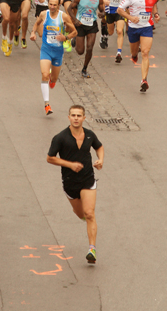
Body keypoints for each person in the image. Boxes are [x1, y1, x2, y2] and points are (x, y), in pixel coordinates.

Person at [47, 105, 104, 264]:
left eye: (79, 115)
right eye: (73, 115)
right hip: (70, 183)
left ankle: (91, 249)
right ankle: (83, 216)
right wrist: (70, 165)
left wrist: (100, 160)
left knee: (90, 213)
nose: (76, 118)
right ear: (69, 117)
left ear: (84, 118)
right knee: (81, 214)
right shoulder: (60, 138)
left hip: (87, 179)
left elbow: (99, 147)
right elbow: (50, 158)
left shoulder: (90, 135)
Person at [30, 0, 76, 115]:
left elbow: (74, 32)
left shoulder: (63, 17)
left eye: (54, 5)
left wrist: (65, 37)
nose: (52, 7)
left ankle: (52, 80)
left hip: (58, 51)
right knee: (45, 74)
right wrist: (33, 33)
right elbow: (37, 23)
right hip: (46, 49)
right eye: (50, 4)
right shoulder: (44, 14)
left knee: (53, 78)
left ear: (59, 5)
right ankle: (47, 104)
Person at [116, 0, 159, 92]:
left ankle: (144, 80)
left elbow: (154, 4)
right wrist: (130, 17)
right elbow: (119, 9)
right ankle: (134, 55)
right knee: (134, 52)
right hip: (134, 27)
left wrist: (155, 14)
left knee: (145, 53)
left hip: (147, 26)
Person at [67, 0, 104, 79]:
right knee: (80, 51)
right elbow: (70, 8)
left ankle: (84, 69)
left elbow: (102, 10)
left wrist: (102, 14)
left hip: (92, 25)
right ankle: (75, 38)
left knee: (90, 47)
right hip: (80, 25)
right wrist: (75, 20)